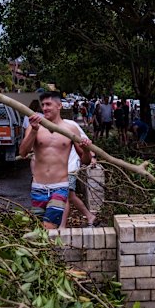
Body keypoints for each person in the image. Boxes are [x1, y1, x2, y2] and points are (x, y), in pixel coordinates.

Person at [20, 91, 92, 229]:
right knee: (37, 228)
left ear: (59, 106)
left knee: (48, 226)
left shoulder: (70, 129)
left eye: (48, 104)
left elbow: (86, 160)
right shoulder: (34, 126)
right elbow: (23, 153)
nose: (45, 108)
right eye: (43, 105)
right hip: (38, 187)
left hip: (59, 187)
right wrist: (34, 131)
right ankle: (48, 249)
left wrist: (87, 149)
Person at [60, 119, 97, 228]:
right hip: (58, 170)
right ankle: (90, 216)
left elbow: (85, 141)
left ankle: (62, 227)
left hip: (70, 167)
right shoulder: (46, 125)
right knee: (71, 196)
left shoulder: (70, 125)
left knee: (65, 196)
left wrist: (92, 156)